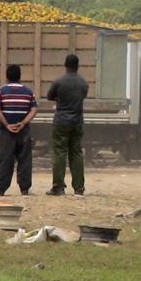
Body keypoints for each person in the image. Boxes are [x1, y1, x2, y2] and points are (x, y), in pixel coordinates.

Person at [46, 54, 89, 195]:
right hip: (77, 121)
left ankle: (58, 187)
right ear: (78, 66)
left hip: (61, 120)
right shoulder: (83, 83)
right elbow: (82, 96)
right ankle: (79, 187)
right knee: (76, 153)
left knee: (60, 152)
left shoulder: (59, 82)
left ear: (65, 65)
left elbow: (50, 96)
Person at [0, 64, 37, 196]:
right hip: (23, 131)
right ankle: (24, 189)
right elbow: (34, 109)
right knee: (25, 160)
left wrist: (6, 124)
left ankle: (0, 189)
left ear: (6, 76)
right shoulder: (29, 92)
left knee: (4, 159)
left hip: (6, 131)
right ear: (20, 76)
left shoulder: (0, 91)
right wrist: (23, 123)